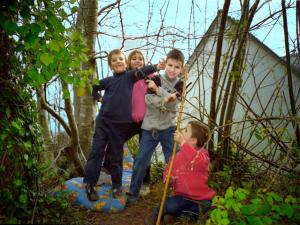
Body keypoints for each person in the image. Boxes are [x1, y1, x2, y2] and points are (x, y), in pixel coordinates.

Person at [84, 49, 164, 201]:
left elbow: (142, 71)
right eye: (114, 60)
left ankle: (117, 186)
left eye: (120, 58)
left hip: (120, 125)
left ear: (124, 62)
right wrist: (98, 97)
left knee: (116, 155)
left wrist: (156, 66)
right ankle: (89, 184)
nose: (118, 61)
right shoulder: (108, 81)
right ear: (110, 65)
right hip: (103, 122)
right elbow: (94, 86)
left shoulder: (129, 76)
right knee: (96, 152)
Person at [126, 49, 185, 205]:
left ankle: (178, 195)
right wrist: (166, 100)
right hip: (149, 128)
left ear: (182, 68)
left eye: (177, 67)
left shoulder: (180, 84)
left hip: (169, 129)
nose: (172, 70)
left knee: (175, 161)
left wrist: (158, 91)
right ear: (165, 64)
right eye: (170, 65)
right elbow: (148, 100)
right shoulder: (156, 78)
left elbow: (175, 107)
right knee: (140, 161)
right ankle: (133, 193)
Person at [102, 49, 153, 195]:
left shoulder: (150, 76)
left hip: (147, 121)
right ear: (128, 62)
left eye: (140, 58)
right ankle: (105, 171)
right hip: (130, 121)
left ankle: (144, 182)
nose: (137, 61)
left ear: (144, 62)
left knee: (144, 152)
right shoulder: (127, 78)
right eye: (134, 58)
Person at [144, 121, 216, 225]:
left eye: (186, 130)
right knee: (169, 205)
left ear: (193, 140)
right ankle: (156, 216)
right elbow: (167, 171)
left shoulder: (202, 155)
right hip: (182, 196)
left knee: (207, 207)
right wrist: (168, 179)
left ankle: (181, 216)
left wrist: (182, 142)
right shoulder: (177, 156)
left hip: (201, 198)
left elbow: (195, 160)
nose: (182, 130)